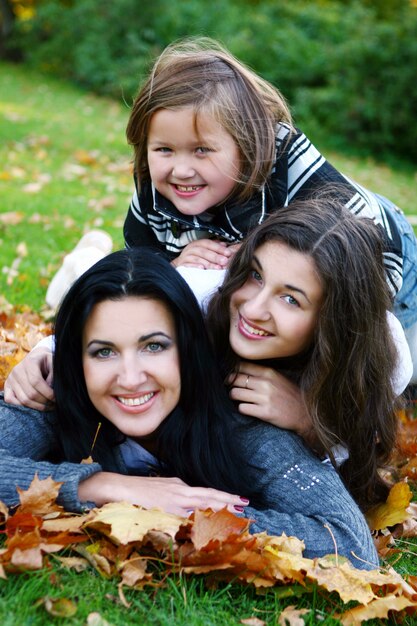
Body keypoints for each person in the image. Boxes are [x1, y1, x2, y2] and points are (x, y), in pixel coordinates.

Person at [0, 248, 378, 568]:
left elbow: (352, 545)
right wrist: (107, 488)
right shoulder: (51, 394)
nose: (130, 378)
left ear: (187, 350)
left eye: (154, 346)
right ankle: (81, 262)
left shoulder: (242, 422)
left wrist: (191, 515)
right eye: (104, 351)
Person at [123, 36, 417, 378]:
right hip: (270, 294)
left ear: (247, 146)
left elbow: (376, 251)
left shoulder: (289, 164)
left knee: (390, 372)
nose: (181, 169)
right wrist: (171, 266)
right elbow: (137, 265)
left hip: (387, 260)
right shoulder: (152, 185)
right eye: (164, 150)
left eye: (202, 150)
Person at [206, 197, 400, 510]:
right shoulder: (200, 295)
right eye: (256, 275)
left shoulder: (386, 355)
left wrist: (309, 419)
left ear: (331, 324)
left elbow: (356, 447)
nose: (253, 309)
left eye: (291, 299)